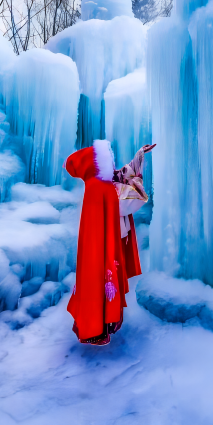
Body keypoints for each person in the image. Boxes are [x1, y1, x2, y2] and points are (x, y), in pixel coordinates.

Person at [64, 140, 155, 345]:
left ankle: (96, 324)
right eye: (107, 159)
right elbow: (136, 198)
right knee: (104, 278)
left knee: (94, 279)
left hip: (97, 245)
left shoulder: (94, 184)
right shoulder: (104, 187)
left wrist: (139, 156)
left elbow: (119, 175)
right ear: (98, 163)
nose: (111, 163)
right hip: (108, 243)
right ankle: (100, 326)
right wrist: (137, 180)